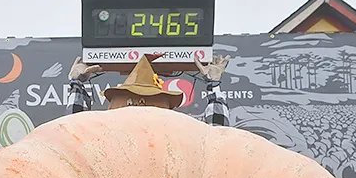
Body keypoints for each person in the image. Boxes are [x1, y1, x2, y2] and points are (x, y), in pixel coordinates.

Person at [67, 54, 233, 121]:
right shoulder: (104, 135)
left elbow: (216, 136)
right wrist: (77, 83)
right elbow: (73, 132)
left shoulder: (178, 135)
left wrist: (213, 84)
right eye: (132, 100)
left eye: (150, 100)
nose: (141, 105)